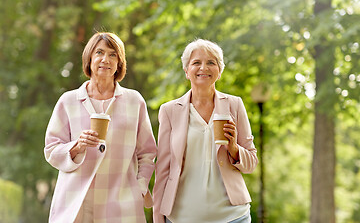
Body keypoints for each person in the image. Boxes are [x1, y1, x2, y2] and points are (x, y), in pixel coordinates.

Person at [44, 32, 157, 223]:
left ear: (119, 63)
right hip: (76, 202)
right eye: (100, 53)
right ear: (89, 58)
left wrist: (140, 187)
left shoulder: (134, 101)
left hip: (121, 203)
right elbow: (51, 149)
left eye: (113, 55)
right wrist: (77, 146)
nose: (106, 59)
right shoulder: (68, 101)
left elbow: (147, 152)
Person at [153, 39, 258, 223]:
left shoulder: (234, 105)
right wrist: (157, 217)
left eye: (211, 62)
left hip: (233, 217)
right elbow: (163, 169)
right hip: (181, 217)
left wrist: (234, 148)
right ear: (186, 71)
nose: (204, 67)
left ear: (219, 71)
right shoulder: (169, 111)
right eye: (196, 63)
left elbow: (251, 163)